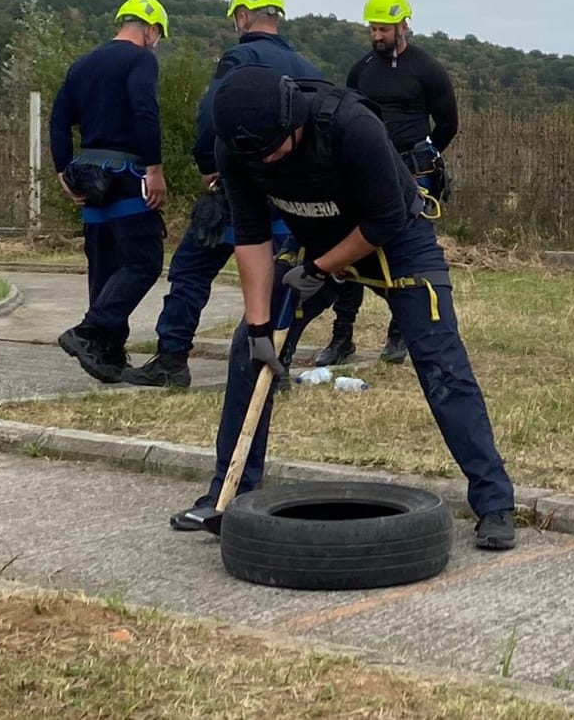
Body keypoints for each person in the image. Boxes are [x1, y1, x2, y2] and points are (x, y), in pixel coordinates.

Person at [167, 64, 516, 551]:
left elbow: (385, 219)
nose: (267, 162)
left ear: (294, 122)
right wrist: (261, 324)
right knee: (250, 350)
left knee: (440, 361)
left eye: (275, 150)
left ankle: (494, 502)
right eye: (257, 157)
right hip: (314, 242)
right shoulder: (238, 147)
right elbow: (250, 234)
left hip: (395, 236)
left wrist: (320, 270)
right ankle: (228, 494)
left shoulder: (352, 126)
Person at [123, 0, 323, 389]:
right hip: (291, 195)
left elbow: (213, 113)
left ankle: (172, 359)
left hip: (236, 186)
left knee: (191, 270)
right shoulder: (308, 68)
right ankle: (274, 364)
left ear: (243, 17)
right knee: (283, 278)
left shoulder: (238, 57)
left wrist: (208, 164)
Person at [308, 0, 460, 368]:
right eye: (373, 29)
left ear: (403, 25)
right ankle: (342, 337)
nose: (377, 36)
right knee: (351, 251)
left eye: (384, 29)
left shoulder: (427, 69)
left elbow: (448, 123)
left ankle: (399, 334)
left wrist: (427, 155)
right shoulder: (361, 70)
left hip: (413, 169)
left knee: (405, 253)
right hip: (366, 169)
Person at [50, 0, 169, 383]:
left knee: (104, 267)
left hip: (88, 175)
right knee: (144, 261)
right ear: (150, 30)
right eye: (158, 36)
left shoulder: (83, 64)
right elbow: (145, 111)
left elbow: (58, 121)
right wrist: (154, 168)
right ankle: (89, 331)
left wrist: (62, 171)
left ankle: (108, 355)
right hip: (126, 173)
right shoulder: (141, 60)